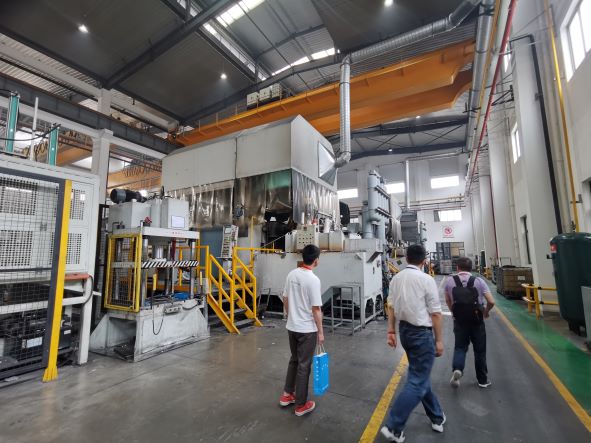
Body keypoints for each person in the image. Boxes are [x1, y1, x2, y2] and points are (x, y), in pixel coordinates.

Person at [381, 244, 445, 443]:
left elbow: (391, 306)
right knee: (417, 381)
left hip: (405, 332)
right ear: (424, 261)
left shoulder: (396, 278)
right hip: (421, 335)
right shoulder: (426, 280)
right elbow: (436, 313)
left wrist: (391, 331)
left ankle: (437, 417)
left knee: (419, 375)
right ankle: (394, 426)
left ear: (406, 258)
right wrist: (439, 340)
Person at [279, 244, 325, 417]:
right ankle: (300, 405)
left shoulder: (292, 274)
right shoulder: (313, 280)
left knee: (294, 360)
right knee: (304, 366)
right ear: (316, 260)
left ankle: (287, 395)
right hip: (307, 330)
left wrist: (291, 315)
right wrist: (321, 332)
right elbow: (316, 309)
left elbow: (285, 298)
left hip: (292, 327)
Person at [444, 256, 495, 388]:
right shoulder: (478, 281)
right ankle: (482, 380)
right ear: (471, 268)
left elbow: (448, 300)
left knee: (460, 347)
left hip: (459, 321)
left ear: (457, 268)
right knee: (479, 350)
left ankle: (458, 369)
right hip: (477, 320)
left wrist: (453, 312)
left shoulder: (449, 281)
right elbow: (491, 301)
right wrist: (486, 312)